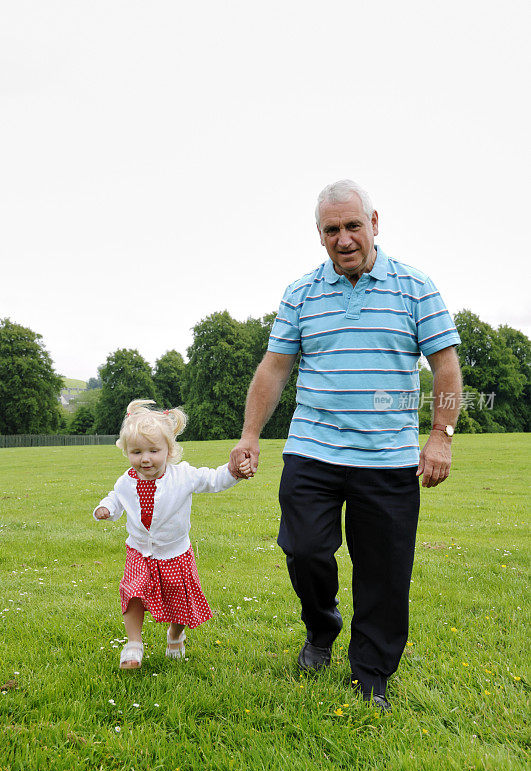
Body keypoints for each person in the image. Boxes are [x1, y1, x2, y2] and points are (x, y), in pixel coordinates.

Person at [229, 179, 462, 709]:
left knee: (384, 570)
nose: (344, 238)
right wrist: (249, 436)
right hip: (313, 448)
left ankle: (372, 674)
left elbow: (445, 365)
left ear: (375, 224)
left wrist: (440, 438)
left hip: (388, 457)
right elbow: (274, 368)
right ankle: (322, 626)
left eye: (353, 226)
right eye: (332, 230)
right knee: (304, 549)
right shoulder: (301, 293)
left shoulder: (415, 287)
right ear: (320, 236)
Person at [94, 399, 252, 670]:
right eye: (136, 452)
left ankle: (175, 636)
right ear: (126, 452)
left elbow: (213, 479)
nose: (145, 458)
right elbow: (116, 497)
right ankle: (133, 643)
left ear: (169, 450)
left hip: (174, 552)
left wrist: (234, 472)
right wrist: (105, 508)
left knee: (180, 600)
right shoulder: (127, 480)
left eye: (153, 450)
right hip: (139, 551)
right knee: (133, 592)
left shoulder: (183, 476)